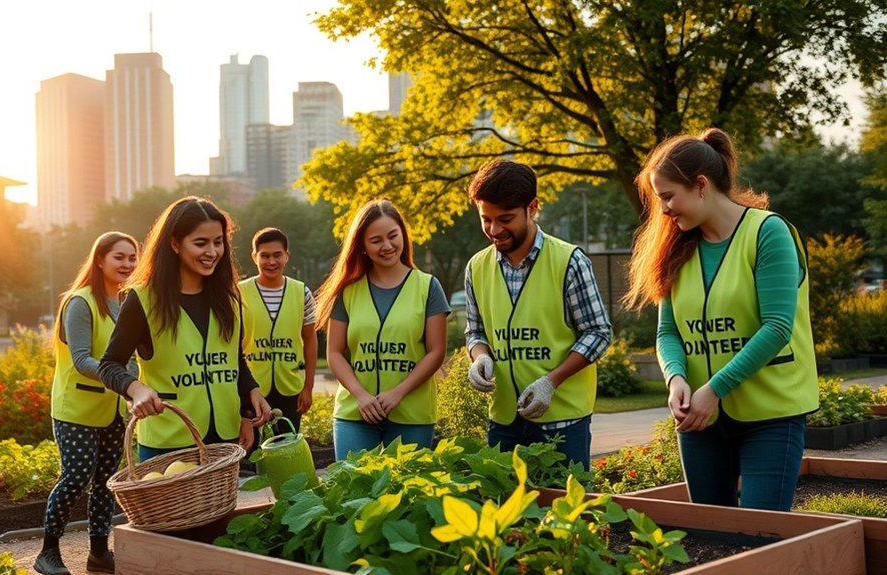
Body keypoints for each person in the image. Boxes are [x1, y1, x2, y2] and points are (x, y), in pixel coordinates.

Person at [623, 128, 818, 511]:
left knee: (761, 536)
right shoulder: (676, 247)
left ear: (699, 185)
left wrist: (714, 389)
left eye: (667, 196)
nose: (663, 209)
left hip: (771, 415)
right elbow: (667, 332)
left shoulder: (768, 233)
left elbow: (777, 326)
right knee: (712, 535)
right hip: (699, 420)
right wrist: (675, 377)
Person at [98, 197, 270, 466]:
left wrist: (250, 404)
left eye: (218, 241)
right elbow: (109, 365)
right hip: (168, 444)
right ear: (175, 244)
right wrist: (137, 389)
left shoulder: (230, 298)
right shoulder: (142, 299)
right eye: (200, 243)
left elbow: (234, 361)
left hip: (226, 440)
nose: (212, 252)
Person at [464, 159, 611, 471]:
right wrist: (479, 357)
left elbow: (598, 333)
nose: (494, 230)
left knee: (566, 514)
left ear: (533, 208)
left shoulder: (570, 261)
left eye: (505, 219)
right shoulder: (476, 267)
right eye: (486, 219)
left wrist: (550, 382)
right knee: (505, 514)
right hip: (503, 420)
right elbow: (475, 331)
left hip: (562, 421)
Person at [35, 232, 139, 575]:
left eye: (132, 257)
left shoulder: (127, 303)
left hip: (110, 410)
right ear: (99, 260)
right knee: (76, 477)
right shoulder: (80, 302)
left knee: (106, 481)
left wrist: (136, 386)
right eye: (119, 257)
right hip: (75, 409)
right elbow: (81, 359)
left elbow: (131, 358)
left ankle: (98, 553)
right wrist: (125, 381)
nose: (127, 264)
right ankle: (48, 552)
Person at [315, 199, 449, 460]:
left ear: (403, 235)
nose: (387, 246)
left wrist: (398, 393)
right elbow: (334, 353)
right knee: (351, 494)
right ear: (362, 246)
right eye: (376, 240)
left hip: (412, 413)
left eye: (392, 236)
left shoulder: (428, 287)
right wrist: (361, 396)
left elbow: (436, 352)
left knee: (409, 495)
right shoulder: (348, 292)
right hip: (355, 412)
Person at [239, 227, 317, 437]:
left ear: (287, 256)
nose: (271, 262)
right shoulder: (238, 293)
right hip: (250, 387)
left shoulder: (302, 292)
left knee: (286, 448)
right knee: (250, 452)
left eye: (277, 255)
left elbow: (309, 339)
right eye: (265, 256)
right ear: (254, 257)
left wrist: (308, 386)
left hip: (290, 386)